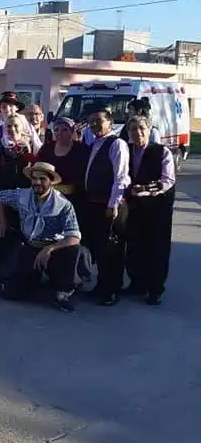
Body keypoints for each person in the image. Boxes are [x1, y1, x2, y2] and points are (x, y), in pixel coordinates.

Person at [0, 162, 83, 313]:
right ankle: (29, 279)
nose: (37, 182)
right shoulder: (22, 195)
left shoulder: (63, 204)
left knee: (74, 250)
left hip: (52, 249)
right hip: (29, 245)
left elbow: (74, 236)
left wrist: (50, 249)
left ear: (50, 181)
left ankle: (63, 292)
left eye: (42, 179)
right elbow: (0, 197)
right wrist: (2, 222)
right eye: (34, 178)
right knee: (12, 292)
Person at [123, 116, 176, 305]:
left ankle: (155, 289)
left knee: (156, 248)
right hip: (134, 207)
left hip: (157, 208)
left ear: (150, 129)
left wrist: (146, 189)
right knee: (134, 246)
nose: (138, 132)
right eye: (133, 129)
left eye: (142, 128)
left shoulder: (161, 152)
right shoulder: (126, 150)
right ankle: (137, 284)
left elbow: (168, 181)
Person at [83, 108, 131, 307]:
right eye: (91, 120)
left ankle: (111, 290)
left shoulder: (117, 144)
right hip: (95, 204)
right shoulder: (95, 143)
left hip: (111, 206)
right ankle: (102, 285)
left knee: (112, 250)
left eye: (99, 120)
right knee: (100, 249)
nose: (94, 124)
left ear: (109, 122)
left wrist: (113, 205)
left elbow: (121, 178)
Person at [36, 117, 89, 209]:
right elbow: (39, 170)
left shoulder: (82, 150)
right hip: (49, 196)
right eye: (56, 130)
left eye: (64, 130)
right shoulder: (46, 149)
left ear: (72, 131)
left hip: (74, 198)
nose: (60, 133)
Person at [0, 114, 38, 190]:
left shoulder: (31, 144)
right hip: (6, 188)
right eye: (9, 126)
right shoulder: (1, 144)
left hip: (26, 188)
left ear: (22, 127)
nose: (12, 129)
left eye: (15, 125)